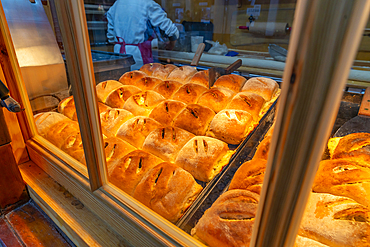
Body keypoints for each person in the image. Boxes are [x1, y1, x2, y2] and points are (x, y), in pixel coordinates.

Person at [107, 0, 179, 70]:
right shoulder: (147, 3)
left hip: (119, 55)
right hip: (138, 57)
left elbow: (111, 37)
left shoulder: (116, 5)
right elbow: (171, 31)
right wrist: (172, 44)